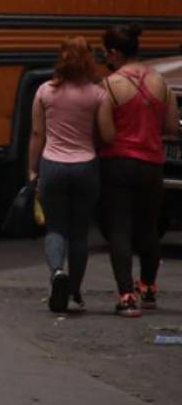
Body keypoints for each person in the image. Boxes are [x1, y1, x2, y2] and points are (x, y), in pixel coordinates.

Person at [97, 24, 180, 318]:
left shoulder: (110, 86)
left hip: (117, 163)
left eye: (106, 53)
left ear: (116, 53)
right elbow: (171, 127)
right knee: (148, 228)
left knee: (119, 229)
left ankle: (126, 296)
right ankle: (148, 288)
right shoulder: (161, 83)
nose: (105, 57)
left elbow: (105, 134)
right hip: (151, 164)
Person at [26, 37, 106, 313]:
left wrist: (32, 169)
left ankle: (57, 273)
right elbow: (104, 133)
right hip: (86, 166)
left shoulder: (45, 91)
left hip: (53, 165)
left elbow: (37, 134)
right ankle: (75, 293)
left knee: (56, 227)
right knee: (80, 233)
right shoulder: (97, 94)